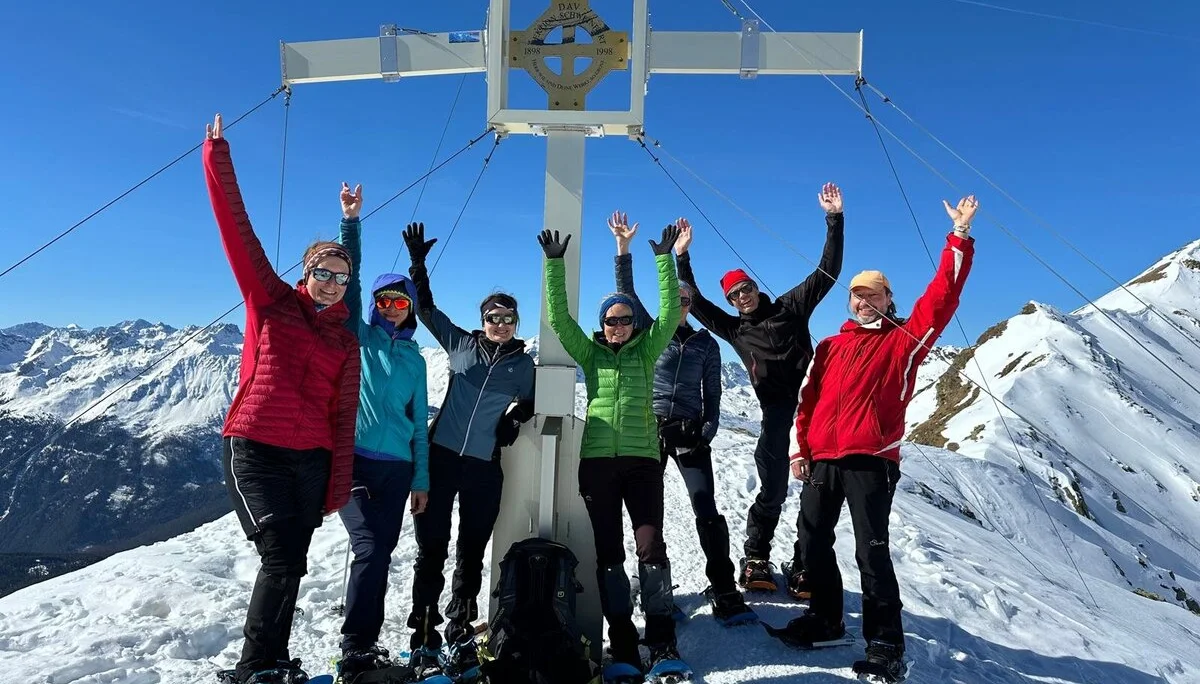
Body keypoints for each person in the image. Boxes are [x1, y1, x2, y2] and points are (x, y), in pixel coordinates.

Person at [782, 195, 978, 681]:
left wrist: (960, 236)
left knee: (871, 550)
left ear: (889, 299)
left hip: (871, 459)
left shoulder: (902, 341)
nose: (864, 300)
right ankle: (826, 619)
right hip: (822, 458)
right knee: (811, 542)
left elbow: (942, 298)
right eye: (857, 294)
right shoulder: (830, 345)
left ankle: (886, 643)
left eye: (874, 294)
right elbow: (807, 400)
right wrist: (798, 449)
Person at [204, 114, 361, 684]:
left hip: (311, 460)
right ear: (306, 271)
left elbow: (342, 417)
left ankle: (273, 661)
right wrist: (218, 156)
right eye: (324, 272)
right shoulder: (270, 301)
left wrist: (336, 483)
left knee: (293, 558)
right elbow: (237, 233)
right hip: (258, 449)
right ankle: (254, 666)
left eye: (342, 277)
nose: (332, 283)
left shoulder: (344, 339)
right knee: (278, 555)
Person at [674, 182, 845, 595]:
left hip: (814, 411)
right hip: (775, 416)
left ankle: (804, 561)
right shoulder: (735, 330)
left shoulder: (791, 308)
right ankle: (756, 556)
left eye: (744, 289)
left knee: (818, 492)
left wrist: (834, 220)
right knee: (772, 489)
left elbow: (827, 272)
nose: (741, 297)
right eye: (734, 295)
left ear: (754, 287)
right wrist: (682, 256)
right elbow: (694, 301)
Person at [540, 223, 689, 681]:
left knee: (650, 548)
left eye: (625, 319)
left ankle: (661, 640)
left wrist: (664, 259)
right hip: (599, 466)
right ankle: (623, 641)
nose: (619, 325)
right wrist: (554, 264)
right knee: (609, 554)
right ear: (602, 325)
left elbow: (667, 313)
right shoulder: (592, 356)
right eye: (612, 319)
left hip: (643, 463)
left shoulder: (648, 351)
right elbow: (560, 320)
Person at [401, 222, 536, 679]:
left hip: (483, 467)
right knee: (431, 549)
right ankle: (423, 631)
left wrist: (513, 419)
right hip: (441, 459)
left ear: (517, 323)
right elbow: (425, 309)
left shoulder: (522, 365)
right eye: (494, 317)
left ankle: (459, 628)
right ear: (483, 321)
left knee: (471, 550)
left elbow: (535, 401)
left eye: (508, 318)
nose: (500, 324)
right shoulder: (460, 343)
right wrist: (418, 264)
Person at [607, 211, 753, 626]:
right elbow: (627, 294)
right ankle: (657, 588)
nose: (683, 305)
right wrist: (624, 249)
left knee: (705, 506)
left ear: (692, 305)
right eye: (678, 299)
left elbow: (714, 393)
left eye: (688, 301)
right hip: (649, 430)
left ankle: (723, 586)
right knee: (647, 512)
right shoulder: (651, 330)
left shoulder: (707, 345)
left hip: (689, 433)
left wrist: (706, 432)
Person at [332, 184, 431, 682]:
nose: (392, 308)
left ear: (410, 309)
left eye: (400, 302)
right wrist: (351, 222)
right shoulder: (360, 338)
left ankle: (364, 646)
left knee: (382, 553)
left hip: (398, 472)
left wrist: (422, 480)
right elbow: (347, 289)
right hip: (355, 461)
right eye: (385, 300)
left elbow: (419, 424)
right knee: (369, 548)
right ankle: (354, 646)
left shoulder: (415, 360)